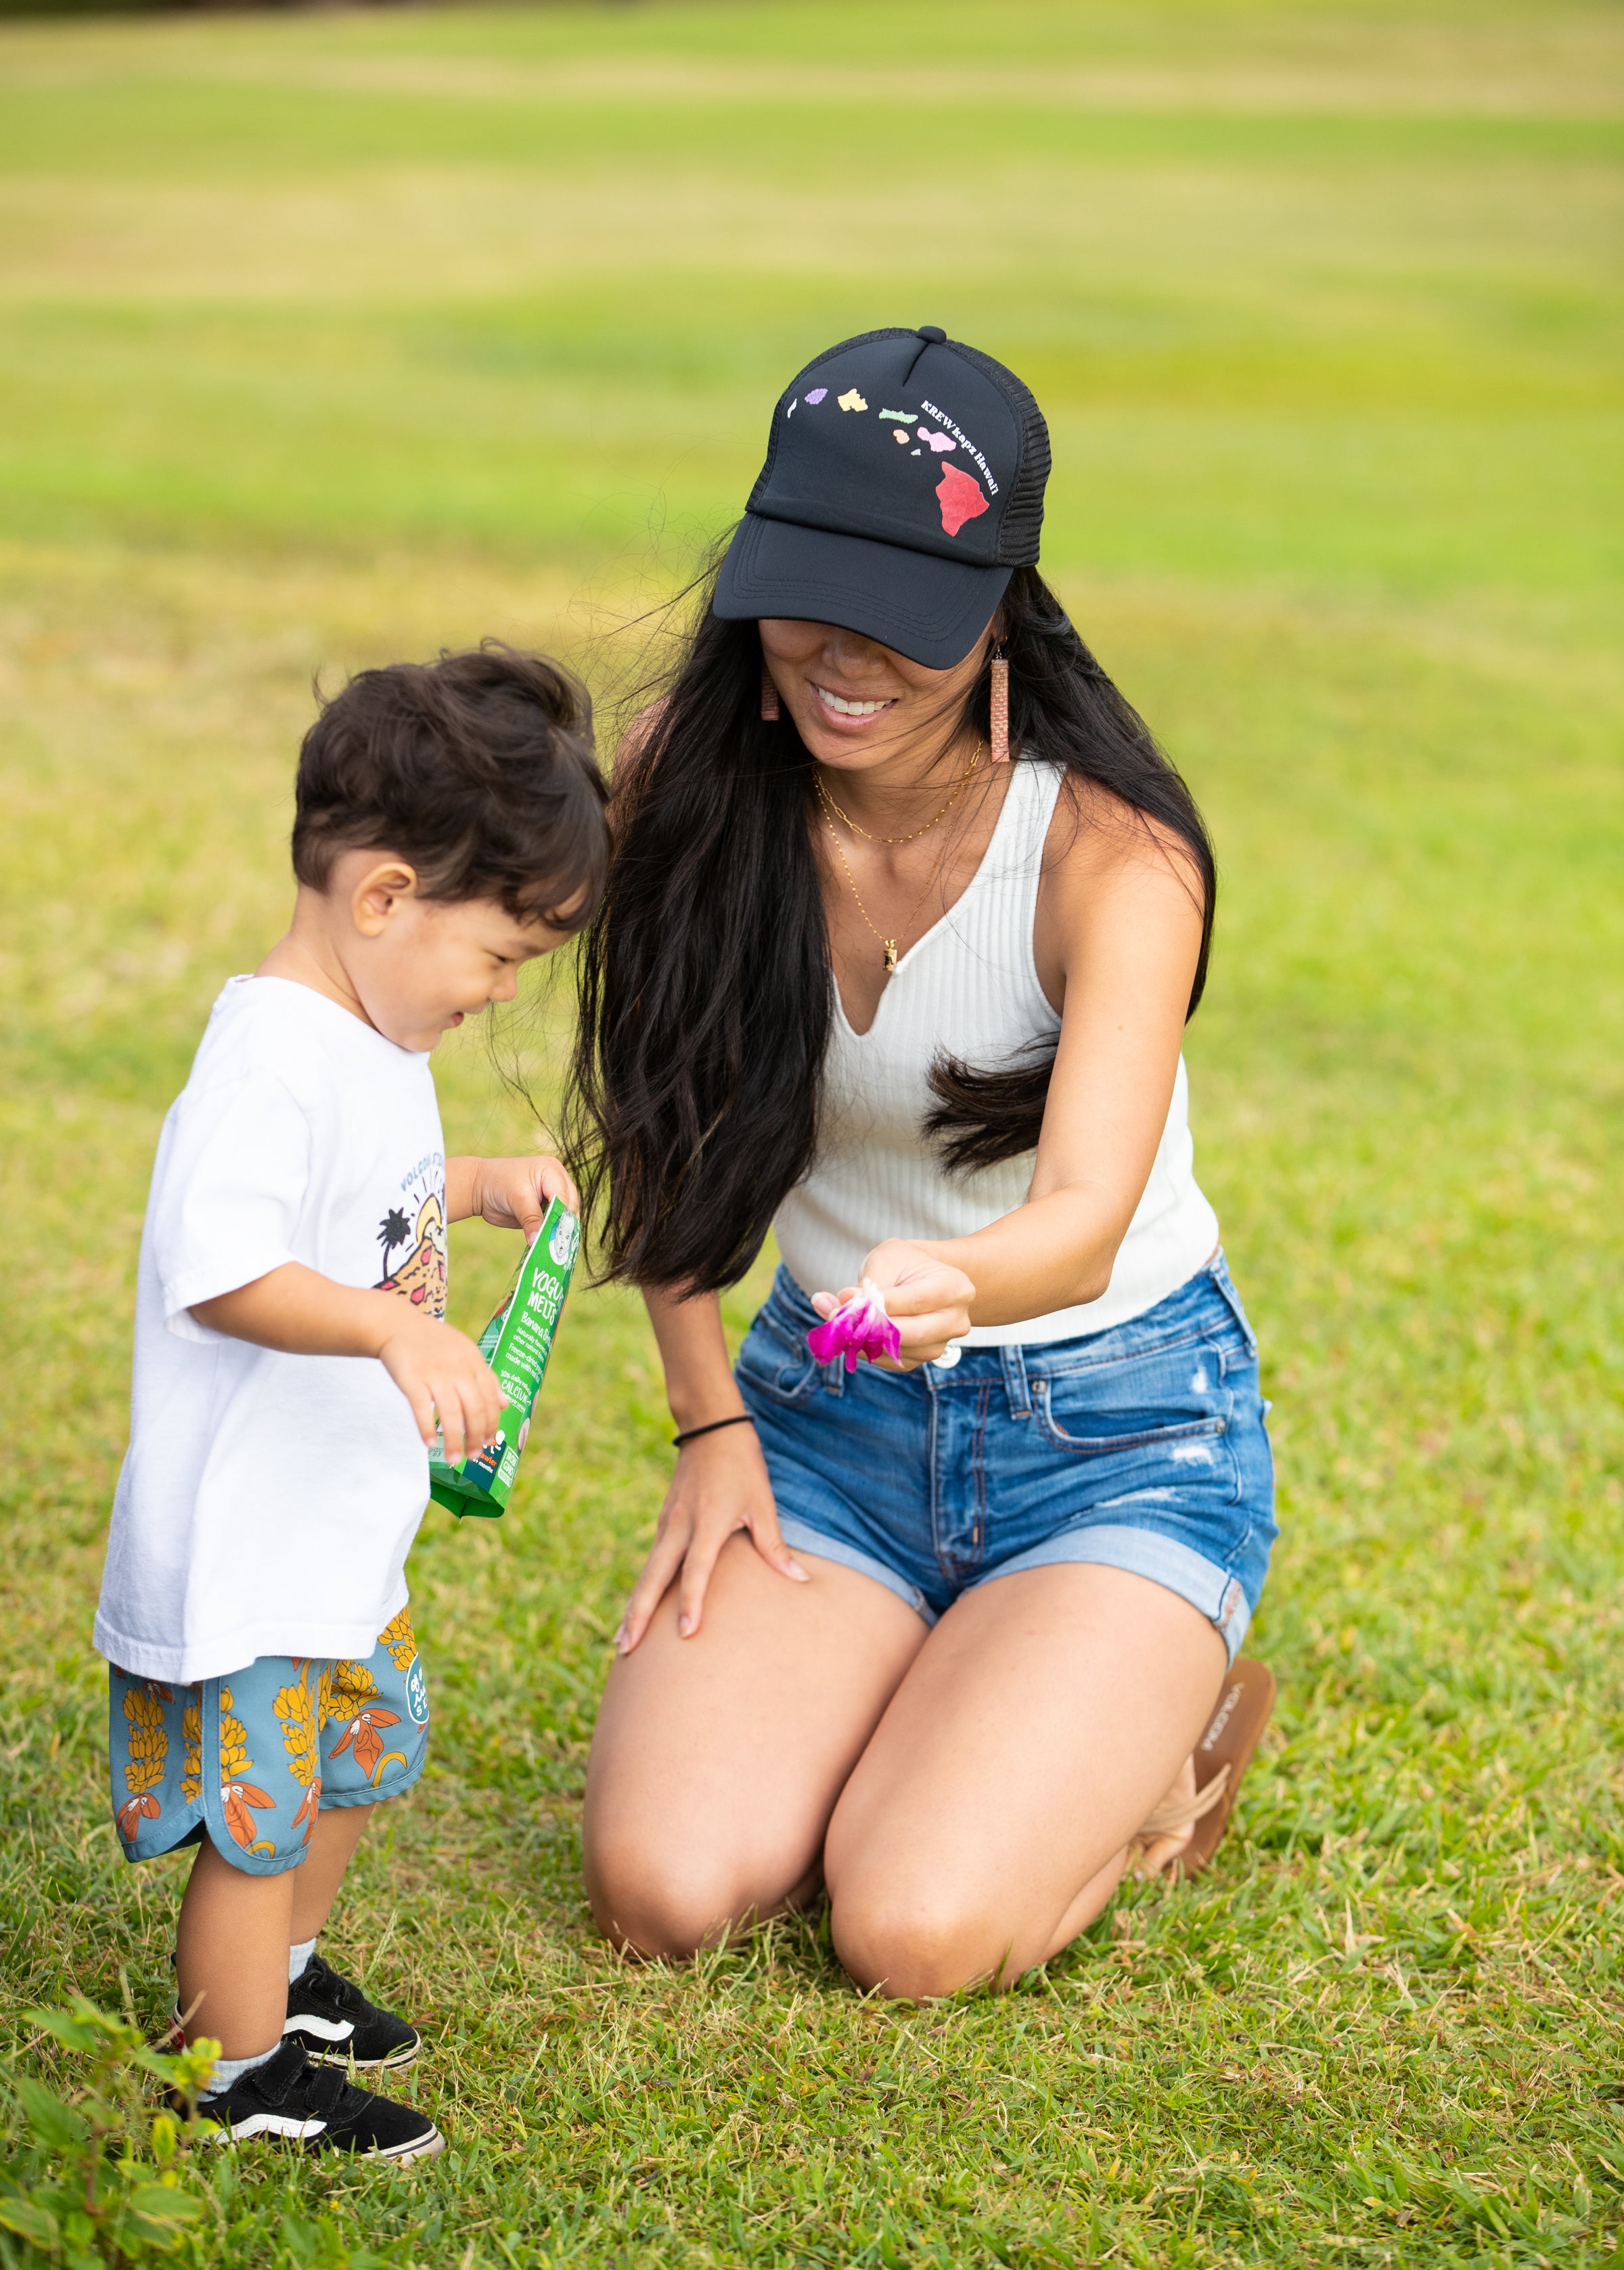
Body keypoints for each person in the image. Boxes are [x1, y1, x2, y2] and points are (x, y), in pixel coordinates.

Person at [571, 326, 1278, 1999]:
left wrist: (944, 1283)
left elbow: (1086, 1221)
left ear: (1002, 605)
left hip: (1113, 1433)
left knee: (913, 1929)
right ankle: (944, 1691)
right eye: (813, 588)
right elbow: (655, 1127)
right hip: (826, 1429)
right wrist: (711, 1427)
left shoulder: (1112, 855)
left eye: (911, 607)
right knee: (662, 1890)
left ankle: (1168, 1748)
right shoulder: (692, 777)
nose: (849, 652)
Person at [95, 645, 606, 2160]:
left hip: (331, 1542)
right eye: (502, 957)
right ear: (384, 897)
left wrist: (471, 1186)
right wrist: (396, 1338)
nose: (506, 992)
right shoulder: (270, 1054)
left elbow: (361, 1197)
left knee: (357, 1757)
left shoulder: (376, 1034)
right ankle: (229, 2073)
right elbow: (222, 1265)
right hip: (252, 1551)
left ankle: (289, 1984)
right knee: (256, 1820)